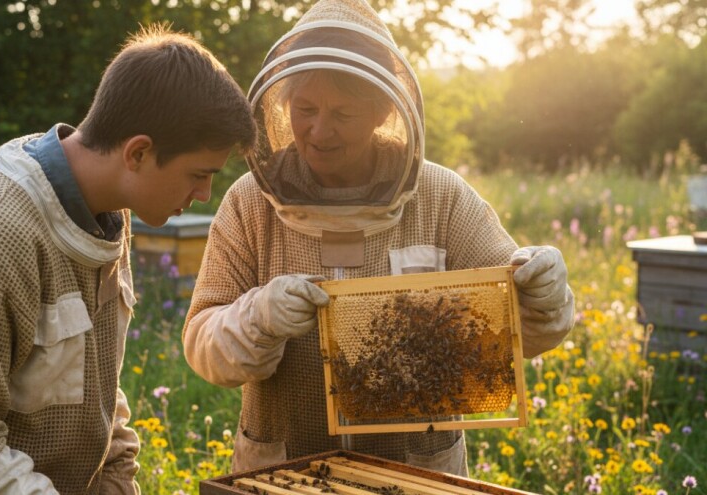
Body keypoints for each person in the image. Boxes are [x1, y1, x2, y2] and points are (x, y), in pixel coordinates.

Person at [0, 25, 256, 494]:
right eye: (199, 174)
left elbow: (89, 387)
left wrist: (117, 481)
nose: (205, 194)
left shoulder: (106, 211)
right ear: (139, 153)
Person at [182, 0, 575, 477]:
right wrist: (257, 317)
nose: (319, 130)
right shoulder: (249, 203)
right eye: (305, 109)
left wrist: (545, 295)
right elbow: (201, 342)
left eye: (342, 113)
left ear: (383, 110)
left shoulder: (442, 198)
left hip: (418, 473)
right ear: (282, 105)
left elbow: (520, 327)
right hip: (284, 470)